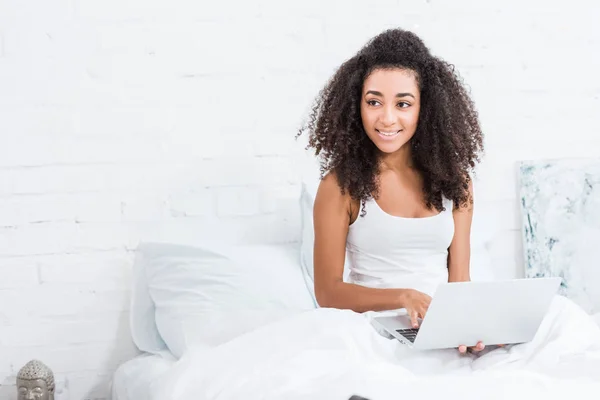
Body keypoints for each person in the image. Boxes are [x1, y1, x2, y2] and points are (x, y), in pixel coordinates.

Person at [297, 28, 487, 355]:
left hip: (439, 333)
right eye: (374, 102)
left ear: (425, 108)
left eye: (403, 103)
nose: (386, 118)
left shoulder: (456, 182)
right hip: (369, 333)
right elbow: (328, 292)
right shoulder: (340, 186)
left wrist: (468, 328)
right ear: (356, 104)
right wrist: (403, 296)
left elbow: (459, 282)